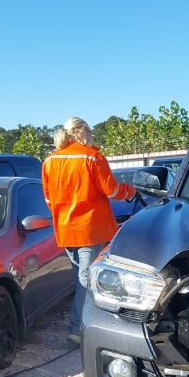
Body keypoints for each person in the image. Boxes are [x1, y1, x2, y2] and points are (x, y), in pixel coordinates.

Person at [42, 117, 135, 344]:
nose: (91, 133)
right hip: (90, 229)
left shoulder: (49, 162)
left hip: (65, 230)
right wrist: (130, 191)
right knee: (86, 280)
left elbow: (48, 199)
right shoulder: (92, 157)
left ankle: (86, 324)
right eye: (89, 129)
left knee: (80, 277)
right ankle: (78, 329)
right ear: (80, 131)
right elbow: (112, 190)